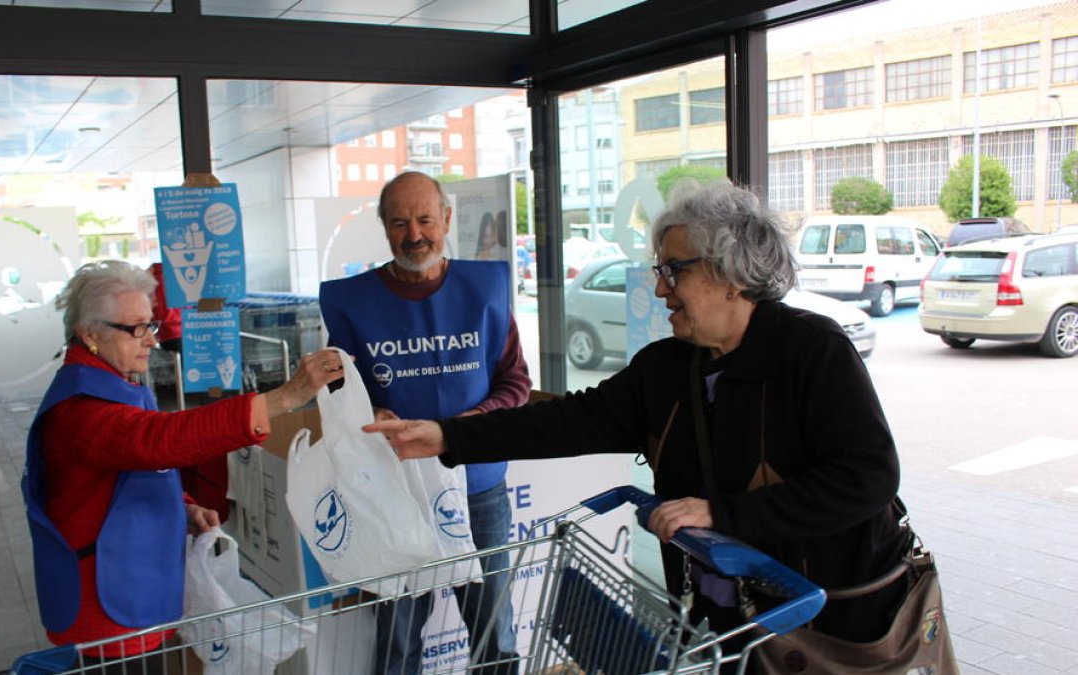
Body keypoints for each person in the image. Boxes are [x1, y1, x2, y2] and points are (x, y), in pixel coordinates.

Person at [366, 180, 911, 650]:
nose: (659, 288)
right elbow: (565, 422)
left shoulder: (811, 350)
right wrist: (445, 436)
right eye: (660, 269)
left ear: (732, 274)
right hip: (731, 619)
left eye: (674, 270)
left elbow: (868, 477)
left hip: (827, 621)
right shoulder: (668, 368)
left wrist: (724, 514)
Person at [23, 260, 345, 669]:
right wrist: (283, 398)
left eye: (151, 325)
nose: (151, 341)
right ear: (90, 334)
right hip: (106, 606)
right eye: (136, 328)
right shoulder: (80, 410)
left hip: (130, 583)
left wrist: (183, 507)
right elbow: (158, 442)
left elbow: (132, 474)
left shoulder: (117, 383)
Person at [319, 171, 530, 675]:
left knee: (493, 633)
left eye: (425, 220)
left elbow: (515, 382)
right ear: (383, 228)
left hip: (478, 488)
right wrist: (366, 412)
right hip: (394, 490)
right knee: (395, 638)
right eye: (399, 222)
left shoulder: (486, 291)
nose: (414, 234)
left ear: (447, 220)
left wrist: (471, 424)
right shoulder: (350, 302)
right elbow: (334, 385)